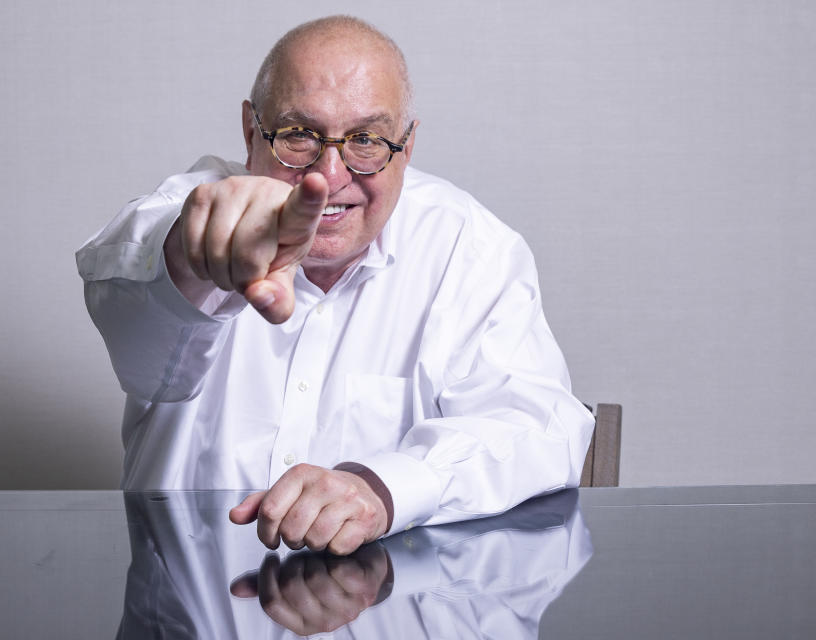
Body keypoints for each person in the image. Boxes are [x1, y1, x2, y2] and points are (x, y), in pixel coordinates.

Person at [76, 15, 594, 556]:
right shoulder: (192, 206)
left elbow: (540, 428)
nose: (328, 175)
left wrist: (381, 487)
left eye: (367, 140)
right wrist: (194, 256)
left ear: (408, 145)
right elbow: (124, 282)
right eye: (299, 135)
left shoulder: (470, 247)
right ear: (252, 132)